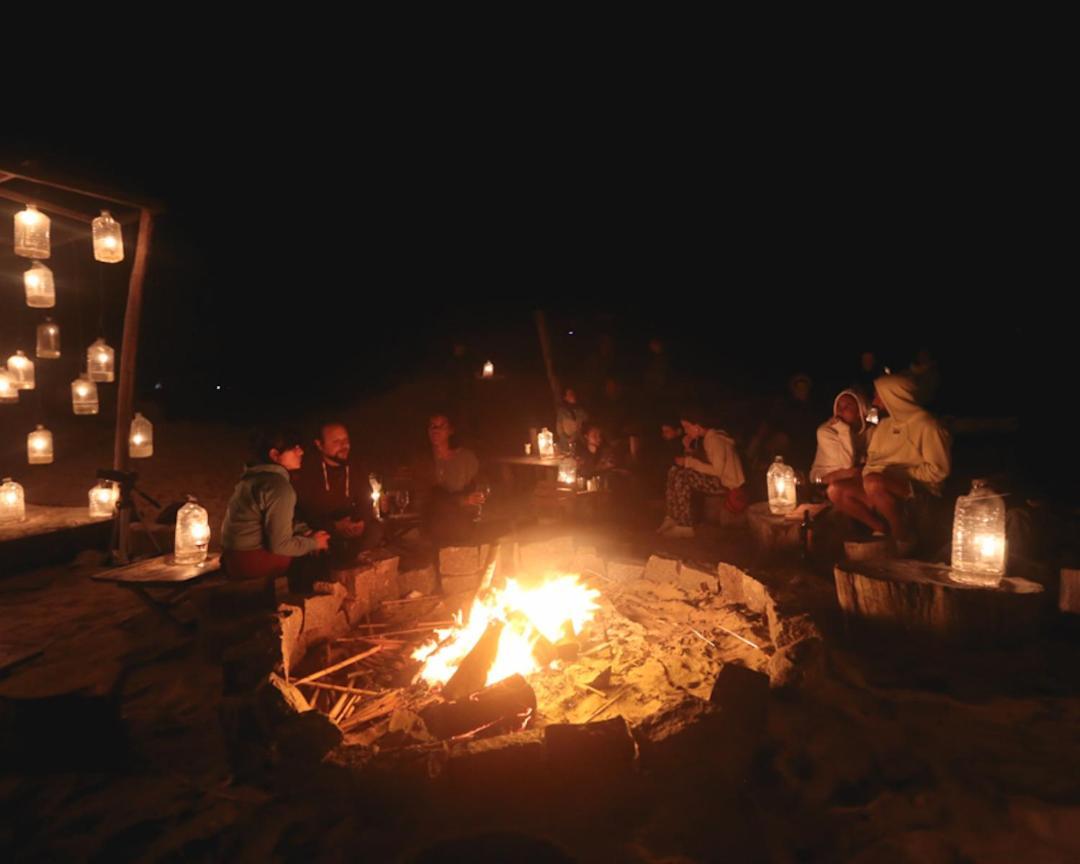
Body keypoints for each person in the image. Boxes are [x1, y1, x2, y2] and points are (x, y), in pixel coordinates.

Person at [827, 375, 951, 549]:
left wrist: (893, 474)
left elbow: (939, 471)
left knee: (873, 482)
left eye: (879, 395)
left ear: (894, 396)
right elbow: (872, 460)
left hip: (917, 488)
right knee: (835, 490)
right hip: (878, 484)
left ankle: (902, 537)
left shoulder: (927, 425)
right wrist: (867, 477)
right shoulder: (884, 425)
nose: (875, 400)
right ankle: (881, 528)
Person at [221, 427, 329, 581]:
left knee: (306, 542)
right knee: (314, 560)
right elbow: (279, 545)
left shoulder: (252, 479)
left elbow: (271, 523)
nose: (301, 452)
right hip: (251, 562)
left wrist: (303, 531)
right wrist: (314, 543)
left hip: (232, 559)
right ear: (274, 455)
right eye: (294, 448)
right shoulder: (278, 486)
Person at [291, 420, 384, 568]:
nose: (344, 446)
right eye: (336, 442)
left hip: (349, 526)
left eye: (346, 440)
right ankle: (340, 564)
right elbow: (304, 511)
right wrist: (334, 526)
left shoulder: (355, 466)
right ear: (319, 445)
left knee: (374, 529)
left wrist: (360, 521)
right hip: (323, 528)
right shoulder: (308, 470)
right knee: (320, 544)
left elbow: (365, 499)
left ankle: (350, 560)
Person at [657, 408, 747, 538]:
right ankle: (672, 516)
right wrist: (687, 449)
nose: (686, 431)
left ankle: (685, 525)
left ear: (697, 427)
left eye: (687, 427)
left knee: (683, 476)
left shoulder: (715, 440)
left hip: (726, 484)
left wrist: (689, 462)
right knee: (674, 471)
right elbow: (701, 463)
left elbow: (717, 471)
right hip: (717, 480)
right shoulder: (705, 439)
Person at [411, 412, 484, 545]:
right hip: (436, 518)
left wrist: (475, 497)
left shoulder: (465, 458)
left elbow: (479, 484)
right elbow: (430, 497)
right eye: (432, 426)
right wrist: (462, 500)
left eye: (441, 426)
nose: (435, 430)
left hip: (463, 516)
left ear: (451, 430)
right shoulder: (424, 461)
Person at [810, 389, 873, 486]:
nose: (840, 410)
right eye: (838, 406)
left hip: (853, 476)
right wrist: (843, 429)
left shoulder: (871, 431)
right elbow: (847, 464)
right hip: (825, 479)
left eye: (848, 406)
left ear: (859, 411)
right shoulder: (826, 431)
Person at [555, 386, 588, 452]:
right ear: (565, 398)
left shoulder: (582, 411)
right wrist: (567, 439)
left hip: (580, 444)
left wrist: (576, 435)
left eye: (573, 394)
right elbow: (559, 429)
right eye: (570, 394)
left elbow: (586, 426)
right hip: (565, 446)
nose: (573, 396)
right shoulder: (562, 412)